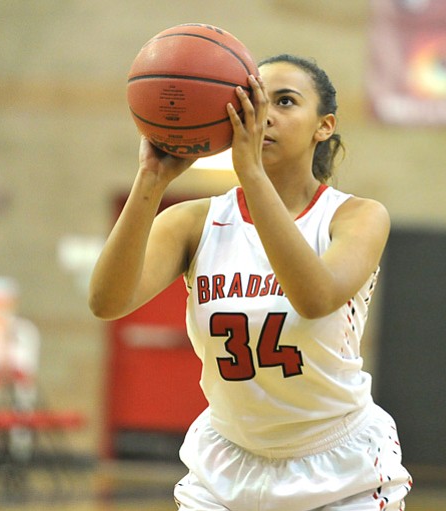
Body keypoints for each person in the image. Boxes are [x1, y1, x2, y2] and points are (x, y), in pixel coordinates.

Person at [89, 54, 412, 510]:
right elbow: (106, 301)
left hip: (339, 465)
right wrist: (152, 179)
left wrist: (252, 175)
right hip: (227, 462)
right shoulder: (196, 222)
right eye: (256, 101)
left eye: (285, 101)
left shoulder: (355, 217)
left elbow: (315, 296)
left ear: (324, 125)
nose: (266, 116)